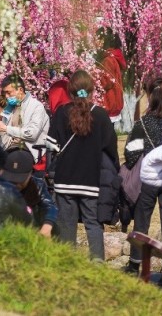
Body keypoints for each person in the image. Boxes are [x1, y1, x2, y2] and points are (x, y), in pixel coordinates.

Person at [47, 70, 119, 260]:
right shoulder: (101, 115)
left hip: (65, 180)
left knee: (67, 225)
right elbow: (110, 149)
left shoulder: (61, 112)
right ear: (92, 90)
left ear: (70, 90)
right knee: (93, 224)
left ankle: (68, 265)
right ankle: (97, 263)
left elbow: (51, 145)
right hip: (91, 180)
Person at [123, 77, 162, 286]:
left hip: (148, 181)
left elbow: (130, 153)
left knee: (141, 223)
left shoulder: (144, 123)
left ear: (151, 97)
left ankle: (134, 265)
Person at [0, 74, 50, 172]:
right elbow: (5, 135)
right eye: (4, 93)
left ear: (20, 90)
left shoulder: (36, 107)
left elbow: (32, 134)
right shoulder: (9, 107)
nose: (6, 97)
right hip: (9, 150)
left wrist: (5, 128)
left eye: (9, 93)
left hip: (29, 152)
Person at [2, 148, 58, 238]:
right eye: (12, 180)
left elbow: (49, 206)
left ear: (30, 174)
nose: (16, 184)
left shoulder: (38, 185)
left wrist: (47, 225)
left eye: (20, 180)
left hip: (31, 230)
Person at [97, 40, 127, 121]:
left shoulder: (108, 60)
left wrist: (95, 80)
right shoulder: (116, 58)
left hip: (109, 102)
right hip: (116, 101)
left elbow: (107, 82)